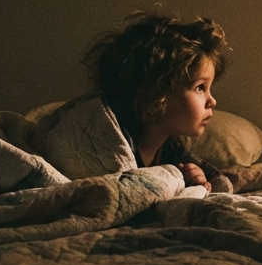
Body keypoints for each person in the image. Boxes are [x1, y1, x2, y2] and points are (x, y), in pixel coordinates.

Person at [82, 11, 230, 192]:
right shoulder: (111, 144)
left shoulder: (171, 148)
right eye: (200, 87)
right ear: (155, 95)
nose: (212, 101)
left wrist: (194, 179)